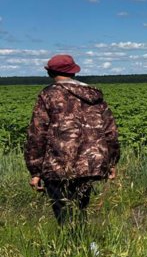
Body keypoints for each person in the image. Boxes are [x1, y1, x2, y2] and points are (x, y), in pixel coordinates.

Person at [24, 54, 120, 226]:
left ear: (50, 73)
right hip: (92, 163)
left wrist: (35, 171)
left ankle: (75, 249)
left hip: (59, 164)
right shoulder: (94, 96)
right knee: (80, 211)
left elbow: (37, 134)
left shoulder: (48, 95)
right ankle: (85, 248)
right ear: (74, 72)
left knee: (64, 216)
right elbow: (110, 132)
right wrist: (111, 162)